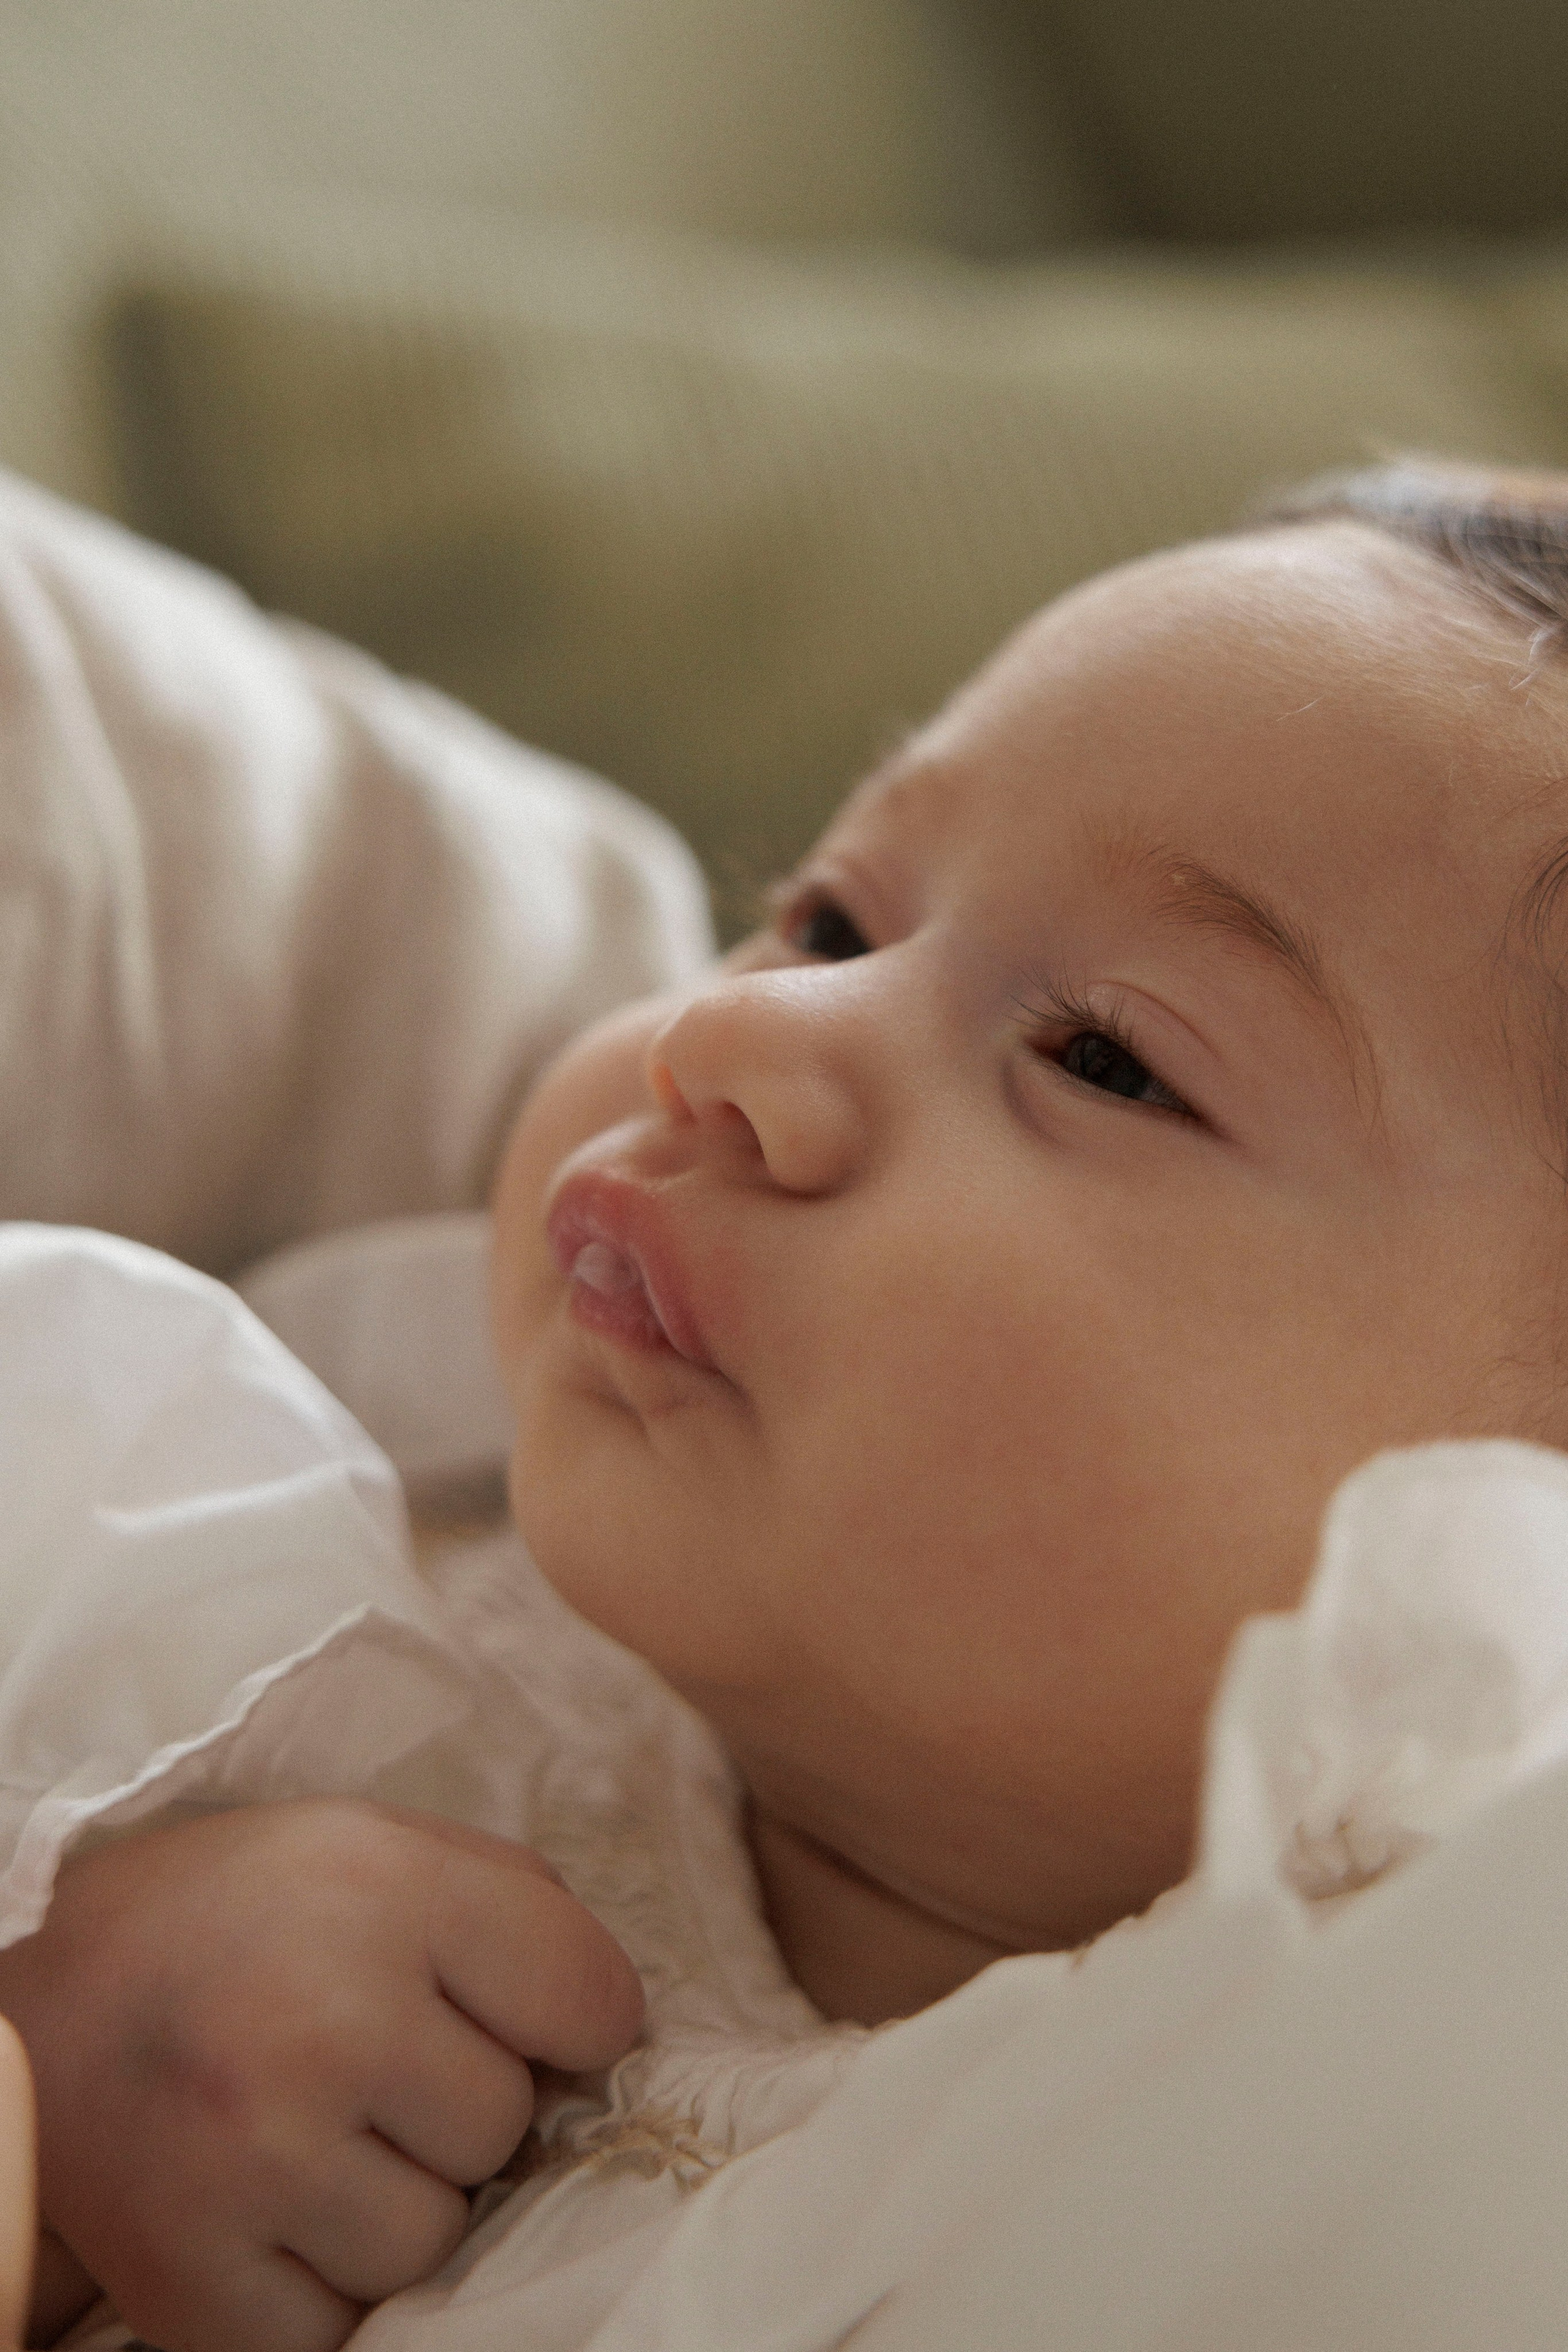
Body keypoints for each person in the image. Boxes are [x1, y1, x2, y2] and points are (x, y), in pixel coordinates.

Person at [6, 458, 1568, 2352]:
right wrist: (64, 2052)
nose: (732, 1033)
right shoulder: (269, 1632)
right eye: (830, 920)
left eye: (1106, 1060)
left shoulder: (1365, 2150)